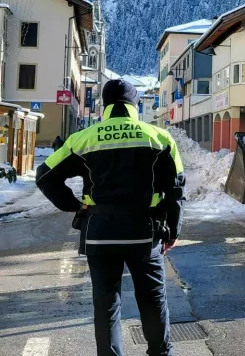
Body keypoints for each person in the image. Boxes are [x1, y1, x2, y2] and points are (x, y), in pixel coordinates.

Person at [36, 79, 185, 356]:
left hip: (99, 232)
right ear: (134, 104)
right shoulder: (158, 137)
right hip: (144, 233)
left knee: (106, 305)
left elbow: (45, 176)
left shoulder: (83, 138)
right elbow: (175, 188)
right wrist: (173, 229)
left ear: (104, 105)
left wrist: (74, 206)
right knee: (152, 300)